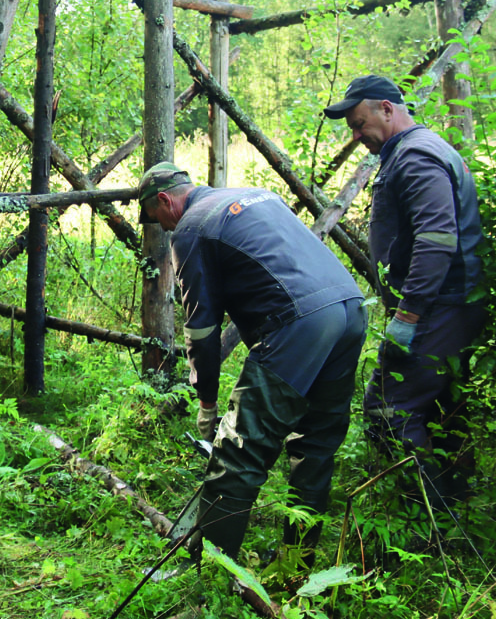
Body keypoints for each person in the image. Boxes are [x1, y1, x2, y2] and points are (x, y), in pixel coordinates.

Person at [138, 163, 366, 562]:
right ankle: (295, 567)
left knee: (237, 453)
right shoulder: (255, 194)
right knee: (315, 446)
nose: (165, 229)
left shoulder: (192, 226)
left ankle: (209, 572)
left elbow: (203, 332)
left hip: (301, 324)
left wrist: (207, 403)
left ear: (164, 200)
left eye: (159, 221)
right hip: (349, 307)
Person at [324, 74, 486, 502]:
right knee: (441, 408)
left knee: (387, 411)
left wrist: (409, 315)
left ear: (387, 109)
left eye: (360, 124)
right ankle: (458, 503)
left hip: (438, 308)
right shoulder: (413, 150)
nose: (357, 137)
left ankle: (427, 519)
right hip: (446, 304)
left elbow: (436, 238)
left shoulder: (414, 156)